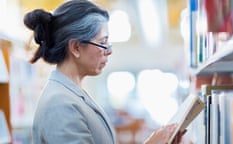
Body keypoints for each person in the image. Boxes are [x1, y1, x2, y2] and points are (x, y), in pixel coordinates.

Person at [23, 0, 186, 143]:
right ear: (76, 47)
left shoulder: (72, 94)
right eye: (103, 43)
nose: (109, 51)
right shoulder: (59, 104)